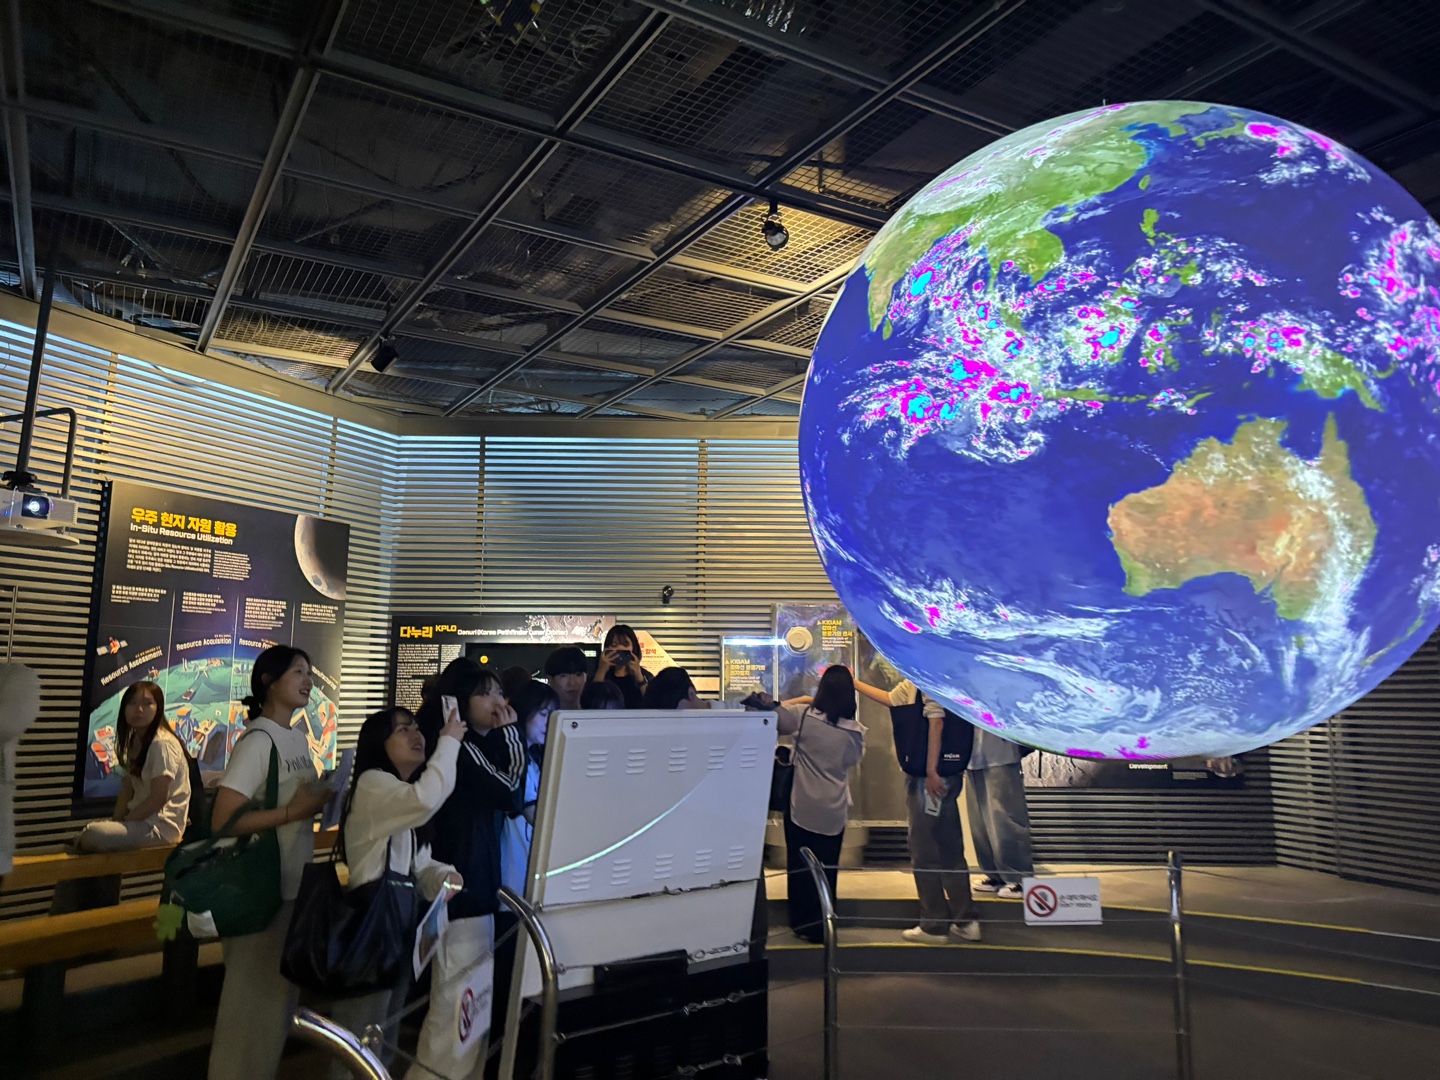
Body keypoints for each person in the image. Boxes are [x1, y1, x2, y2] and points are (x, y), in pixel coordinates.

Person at [209, 646, 336, 1080]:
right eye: (298, 672)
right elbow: (224, 819)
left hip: (290, 885)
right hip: (259, 891)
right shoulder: (259, 740)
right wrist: (291, 812)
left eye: (309, 672)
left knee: (274, 1010)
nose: (309, 681)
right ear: (268, 681)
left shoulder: (295, 738)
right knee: (248, 1012)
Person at [326, 705, 465, 1080]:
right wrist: (449, 743)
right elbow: (426, 799)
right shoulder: (373, 783)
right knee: (360, 1040)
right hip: (372, 931)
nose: (416, 734)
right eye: (403, 729)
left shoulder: (398, 796)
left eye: (416, 727)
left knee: (382, 1036)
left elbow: (417, 864)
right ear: (379, 743)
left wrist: (444, 877)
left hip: (394, 929)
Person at [409, 659, 526, 1080]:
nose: (497, 701)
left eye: (498, 691)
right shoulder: (461, 747)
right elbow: (510, 791)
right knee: (455, 1013)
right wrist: (511, 733)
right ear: (458, 700)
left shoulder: (468, 744)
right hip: (461, 892)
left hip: (472, 891)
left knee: (468, 1012)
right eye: (484, 693)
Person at [855, 673, 980, 944]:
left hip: (928, 779)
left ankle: (934, 925)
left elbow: (936, 722)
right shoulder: (942, 678)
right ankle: (966, 920)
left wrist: (931, 771)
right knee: (950, 847)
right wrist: (854, 681)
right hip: (950, 774)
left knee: (924, 850)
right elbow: (892, 699)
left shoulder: (927, 678)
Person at [769, 667, 863, 944]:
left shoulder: (805, 718)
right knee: (826, 869)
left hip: (802, 806)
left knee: (800, 867)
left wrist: (804, 700)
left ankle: (801, 924)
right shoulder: (855, 733)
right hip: (834, 810)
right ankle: (825, 922)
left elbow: (777, 717)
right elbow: (851, 761)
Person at [74, 681, 191, 852]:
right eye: (132, 703)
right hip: (140, 822)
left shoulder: (162, 743)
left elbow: (159, 798)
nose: (139, 710)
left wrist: (126, 821)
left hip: (159, 828)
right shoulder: (136, 740)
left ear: (158, 708)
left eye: (147, 703)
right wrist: (117, 821)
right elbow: (127, 788)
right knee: (93, 834)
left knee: (93, 834)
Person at [500, 680, 557, 895]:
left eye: (553, 716)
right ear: (524, 712)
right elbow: (534, 815)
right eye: (543, 714)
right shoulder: (514, 758)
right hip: (513, 873)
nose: (549, 723)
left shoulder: (533, 758)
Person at [967, 729, 1034, 899]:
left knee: (1006, 819)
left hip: (1001, 755)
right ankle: (995, 875)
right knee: (979, 823)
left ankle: (1019, 878)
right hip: (972, 755)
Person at [593, 624, 651, 708]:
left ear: (633, 648)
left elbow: (652, 704)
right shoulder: (598, 674)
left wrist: (639, 676)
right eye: (614, 645)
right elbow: (591, 702)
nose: (620, 648)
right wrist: (601, 670)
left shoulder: (645, 676)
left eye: (625, 645)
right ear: (606, 648)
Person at [543, 646, 589, 712]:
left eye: (578, 675)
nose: (572, 683)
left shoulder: (595, 715)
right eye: (563, 676)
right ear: (550, 679)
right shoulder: (541, 716)